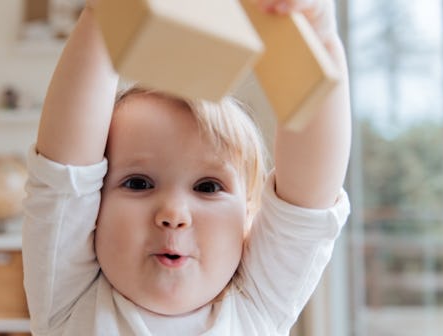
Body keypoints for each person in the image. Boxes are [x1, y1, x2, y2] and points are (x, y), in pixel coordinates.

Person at [22, 0, 351, 334]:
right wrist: (109, 12)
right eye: (138, 183)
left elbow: (307, 204)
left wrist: (318, 39)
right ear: (93, 210)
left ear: (248, 218)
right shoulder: (70, 298)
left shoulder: (257, 303)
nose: (174, 213)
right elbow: (65, 175)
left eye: (208, 187)